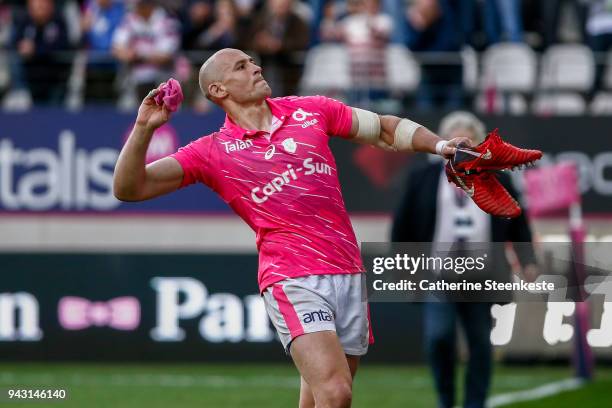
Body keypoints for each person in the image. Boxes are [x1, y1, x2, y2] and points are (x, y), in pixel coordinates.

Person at [113, 48, 469, 408]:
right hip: (292, 276)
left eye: (253, 61)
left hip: (347, 269)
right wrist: (144, 127)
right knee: (335, 393)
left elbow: (385, 129)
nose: (256, 67)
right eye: (242, 66)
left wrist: (441, 145)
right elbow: (129, 188)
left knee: (317, 399)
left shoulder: (311, 110)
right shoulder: (211, 152)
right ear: (219, 90)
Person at [391, 111, 537, 408]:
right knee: (439, 337)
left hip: (482, 275)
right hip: (438, 272)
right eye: (454, 139)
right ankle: (446, 399)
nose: (459, 147)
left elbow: (518, 222)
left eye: (466, 140)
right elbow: (402, 225)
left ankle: (475, 403)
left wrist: (528, 260)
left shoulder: (497, 177)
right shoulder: (422, 178)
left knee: (480, 344)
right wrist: (404, 266)